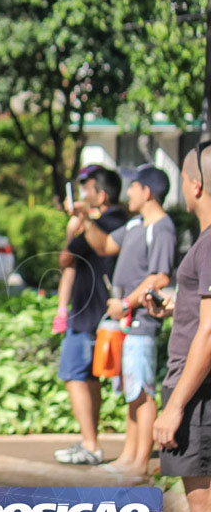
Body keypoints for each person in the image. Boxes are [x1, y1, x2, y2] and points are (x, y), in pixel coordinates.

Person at [79, 165, 176, 482]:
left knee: (143, 391)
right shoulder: (135, 223)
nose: (129, 192)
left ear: (146, 191)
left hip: (141, 321)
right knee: (131, 391)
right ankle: (129, 456)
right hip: (125, 322)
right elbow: (105, 245)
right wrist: (85, 219)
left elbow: (160, 276)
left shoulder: (161, 227)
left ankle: (140, 464)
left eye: (133, 186)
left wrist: (126, 302)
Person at [148, 145, 211, 512]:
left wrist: (174, 408)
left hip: (199, 395)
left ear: (195, 185)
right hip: (198, 392)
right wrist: (175, 304)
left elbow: (210, 330)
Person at [53, 167, 127, 465]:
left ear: (102, 194)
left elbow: (65, 258)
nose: (84, 195)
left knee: (74, 375)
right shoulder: (117, 222)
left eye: (89, 190)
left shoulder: (110, 221)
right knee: (89, 378)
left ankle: (90, 443)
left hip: (88, 313)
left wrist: (78, 225)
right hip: (96, 312)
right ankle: (89, 440)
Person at [52, 165, 101, 334]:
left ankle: (62, 311)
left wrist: (79, 221)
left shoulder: (102, 217)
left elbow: (66, 258)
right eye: (83, 186)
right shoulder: (81, 217)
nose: (85, 191)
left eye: (88, 186)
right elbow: (68, 258)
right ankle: (62, 311)